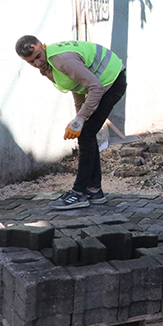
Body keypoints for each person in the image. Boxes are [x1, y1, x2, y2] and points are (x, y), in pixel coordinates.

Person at [15, 36, 127, 210]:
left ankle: (79, 193)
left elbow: (95, 87)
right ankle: (94, 191)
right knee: (86, 134)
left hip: (111, 83)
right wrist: (79, 119)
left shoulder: (62, 60)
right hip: (100, 85)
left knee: (87, 135)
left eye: (38, 56)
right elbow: (78, 87)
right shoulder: (47, 66)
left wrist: (81, 119)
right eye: (31, 62)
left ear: (43, 46)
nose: (37, 63)